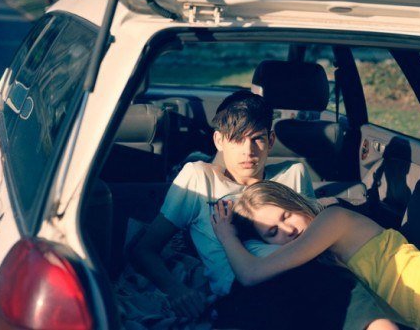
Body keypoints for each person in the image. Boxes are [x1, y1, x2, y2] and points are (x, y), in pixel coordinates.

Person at [132, 90, 398, 330]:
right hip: (245, 294)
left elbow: (317, 238)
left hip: (315, 278)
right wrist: (177, 290)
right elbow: (145, 249)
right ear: (219, 140)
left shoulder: (293, 174)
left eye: (257, 139)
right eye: (237, 139)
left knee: (354, 300)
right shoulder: (199, 178)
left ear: (271, 140)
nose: (248, 151)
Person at [211, 180, 420, 330]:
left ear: (297, 203)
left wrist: (226, 236)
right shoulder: (314, 263)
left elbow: (251, 274)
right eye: (272, 232)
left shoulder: (332, 219)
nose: (287, 230)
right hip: (417, 309)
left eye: (286, 215)